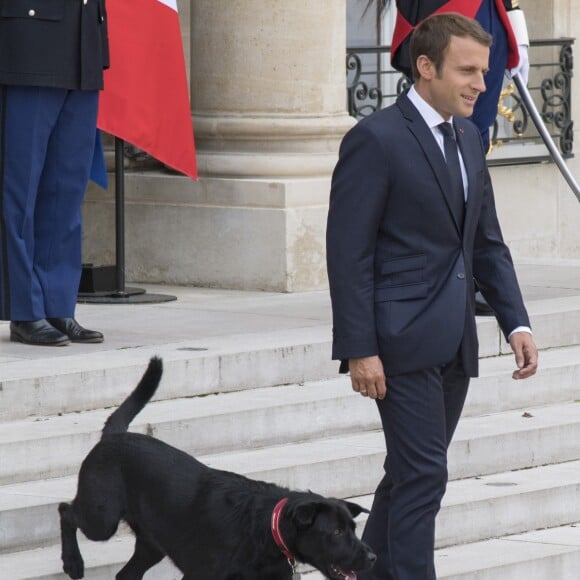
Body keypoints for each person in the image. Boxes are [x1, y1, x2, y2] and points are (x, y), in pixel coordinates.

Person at [326, 12, 538, 580]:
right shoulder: (374, 139)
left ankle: (360, 573)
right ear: (425, 67)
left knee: (408, 474)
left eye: (484, 71)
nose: (480, 82)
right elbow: (348, 255)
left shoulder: (468, 136)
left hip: (453, 342)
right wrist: (359, 347)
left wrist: (516, 323)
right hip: (398, 342)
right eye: (467, 70)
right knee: (424, 476)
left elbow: (486, 242)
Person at [0, 0, 109, 346]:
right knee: (18, 191)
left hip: (82, 44)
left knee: (66, 191)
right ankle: (24, 309)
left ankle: (57, 303)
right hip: (28, 43)